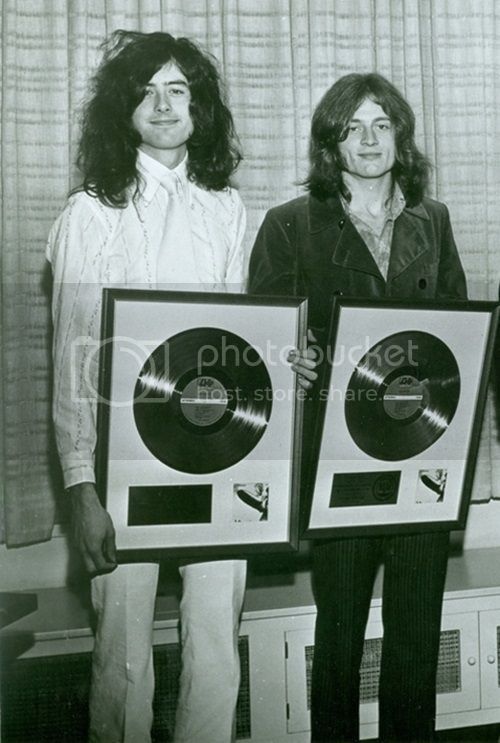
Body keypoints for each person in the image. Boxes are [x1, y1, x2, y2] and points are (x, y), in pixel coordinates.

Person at [249, 73, 467, 742]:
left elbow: (457, 336)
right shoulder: (290, 223)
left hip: (419, 453)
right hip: (333, 457)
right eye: (352, 127)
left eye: (381, 125)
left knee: (415, 639)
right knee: (338, 635)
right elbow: (261, 345)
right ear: (331, 141)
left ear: (401, 137)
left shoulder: (434, 219)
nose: (367, 140)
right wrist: (294, 361)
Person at [47, 30, 247, 743]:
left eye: (179, 90)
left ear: (202, 107)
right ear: (123, 107)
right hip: (120, 466)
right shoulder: (89, 213)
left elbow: (241, 348)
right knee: (123, 659)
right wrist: (82, 488)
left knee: (217, 647)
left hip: (218, 457)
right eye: (146, 90)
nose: (163, 106)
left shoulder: (227, 210)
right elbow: (73, 360)